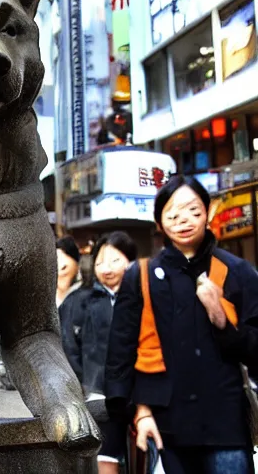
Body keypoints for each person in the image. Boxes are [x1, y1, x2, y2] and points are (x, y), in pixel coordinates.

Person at [105, 175, 258, 474]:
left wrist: (222, 321)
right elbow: (120, 356)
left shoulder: (237, 272)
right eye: (173, 214)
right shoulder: (142, 275)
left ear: (209, 212)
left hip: (226, 425)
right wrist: (138, 412)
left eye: (194, 211)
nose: (184, 221)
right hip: (166, 427)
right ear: (159, 222)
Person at [60, 232, 137, 474]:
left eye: (115, 260)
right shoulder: (79, 300)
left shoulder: (143, 294)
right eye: (100, 261)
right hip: (98, 396)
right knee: (106, 460)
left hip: (141, 394)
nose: (106, 268)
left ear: (131, 261)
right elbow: (68, 348)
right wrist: (85, 386)